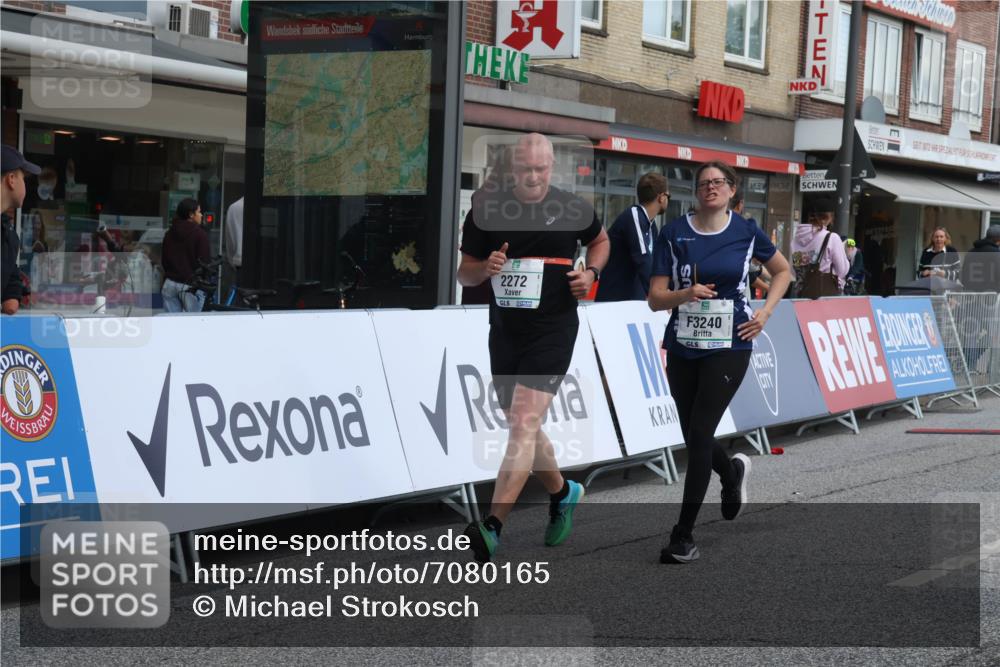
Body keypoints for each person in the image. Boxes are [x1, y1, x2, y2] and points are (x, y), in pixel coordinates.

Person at [457, 133, 610, 562]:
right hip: (506, 331)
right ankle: (563, 492)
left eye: (541, 169)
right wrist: (483, 269)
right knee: (523, 425)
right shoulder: (487, 211)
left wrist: (592, 272)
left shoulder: (570, 207)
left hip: (554, 329)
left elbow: (601, 240)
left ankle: (492, 526)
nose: (534, 177)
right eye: (526, 169)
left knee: (523, 421)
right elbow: (463, 273)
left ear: (552, 168)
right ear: (511, 169)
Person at [648, 161, 791, 564]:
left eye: (719, 182)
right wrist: (684, 294)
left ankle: (683, 535)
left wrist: (764, 314)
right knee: (692, 432)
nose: (710, 188)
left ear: (731, 190)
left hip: (731, 343)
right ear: (696, 191)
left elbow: (782, 272)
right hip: (682, 343)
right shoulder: (674, 233)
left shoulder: (746, 231)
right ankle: (731, 474)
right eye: (704, 183)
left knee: (700, 431)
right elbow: (655, 297)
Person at [595, 172, 668, 302]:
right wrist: (659, 295)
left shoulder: (651, 226)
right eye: (669, 196)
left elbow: (657, 263)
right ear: (661, 197)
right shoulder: (634, 215)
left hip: (633, 302)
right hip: (614, 302)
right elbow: (643, 257)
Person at [2, 146, 41, 315]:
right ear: (11, 179)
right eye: (23, 178)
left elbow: (10, 298)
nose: (25, 186)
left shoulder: (7, 232)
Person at [790, 196, 850, 296]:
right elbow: (842, 271)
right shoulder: (831, 238)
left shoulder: (796, 239)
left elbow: (794, 269)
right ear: (830, 218)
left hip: (801, 293)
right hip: (824, 295)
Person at [160, 198, 210, 313]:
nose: (201, 215)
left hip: (170, 284)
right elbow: (204, 263)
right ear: (191, 214)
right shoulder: (200, 235)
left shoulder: (169, 233)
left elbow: (164, 261)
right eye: (199, 212)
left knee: (172, 325)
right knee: (193, 325)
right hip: (191, 286)